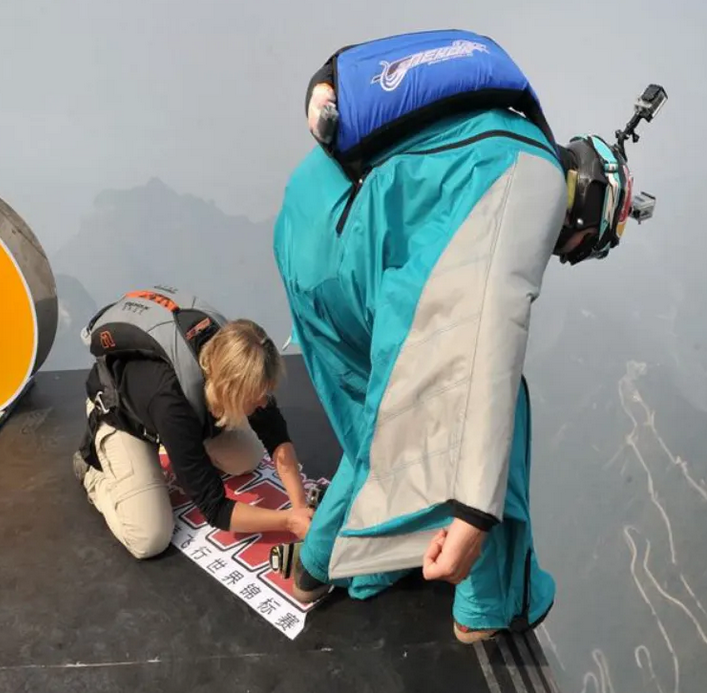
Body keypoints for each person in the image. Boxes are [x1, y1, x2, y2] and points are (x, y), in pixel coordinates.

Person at [271, 29, 653, 643]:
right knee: (496, 407)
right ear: (583, 214)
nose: (568, 254)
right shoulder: (533, 182)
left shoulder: (499, 128)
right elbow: (492, 334)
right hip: (352, 262)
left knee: (380, 419)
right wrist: (474, 511)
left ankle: (319, 569)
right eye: (582, 248)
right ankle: (489, 606)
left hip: (305, 222)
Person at [72, 286, 313, 560]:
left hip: (184, 408)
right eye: (255, 398)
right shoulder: (171, 402)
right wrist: (288, 521)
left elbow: (275, 435)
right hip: (122, 418)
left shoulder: (240, 356)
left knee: (247, 457)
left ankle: (178, 448)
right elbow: (216, 508)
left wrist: (299, 505)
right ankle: (94, 472)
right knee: (149, 537)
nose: (262, 404)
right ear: (231, 390)